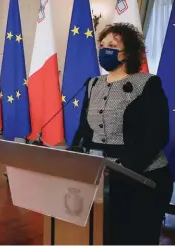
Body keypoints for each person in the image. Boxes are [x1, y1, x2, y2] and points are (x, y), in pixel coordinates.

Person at [72, 22, 172, 245]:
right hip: (102, 179)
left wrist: (121, 170)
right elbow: (84, 130)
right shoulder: (93, 84)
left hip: (143, 179)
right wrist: (72, 160)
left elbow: (157, 136)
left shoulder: (148, 84)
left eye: (113, 45)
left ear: (128, 52)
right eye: (103, 44)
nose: (105, 49)